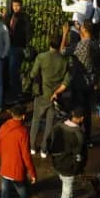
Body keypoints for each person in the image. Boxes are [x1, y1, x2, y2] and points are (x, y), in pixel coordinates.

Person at [28, 30, 70, 158]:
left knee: (36, 120)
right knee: (49, 123)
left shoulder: (41, 57)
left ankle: (32, 147)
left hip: (42, 93)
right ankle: (44, 149)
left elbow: (32, 74)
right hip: (55, 96)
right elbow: (66, 82)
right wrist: (56, 92)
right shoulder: (64, 61)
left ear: (49, 42)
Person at [0, 104, 37, 198]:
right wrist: (32, 173)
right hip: (16, 171)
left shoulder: (4, 126)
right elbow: (26, 156)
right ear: (23, 116)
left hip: (5, 169)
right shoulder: (23, 132)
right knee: (24, 196)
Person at [48, 107, 87, 198]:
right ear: (81, 118)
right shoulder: (78, 134)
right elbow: (79, 156)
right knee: (65, 196)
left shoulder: (58, 126)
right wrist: (79, 169)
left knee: (67, 190)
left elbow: (49, 142)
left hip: (57, 164)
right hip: (68, 169)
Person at [72, 22, 100, 146]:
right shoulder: (95, 44)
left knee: (78, 108)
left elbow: (63, 51)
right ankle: (87, 137)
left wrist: (65, 34)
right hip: (91, 81)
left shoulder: (81, 45)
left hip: (80, 81)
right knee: (88, 110)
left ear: (84, 29)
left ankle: (78, 136)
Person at [6, 0, 30, 101]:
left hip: (18, 46)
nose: (15, 8)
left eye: (18, 5)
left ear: (21, 6)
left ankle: (17, 93)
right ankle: (15, 92)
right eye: (14, 5)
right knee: (11, 71)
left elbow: (28, 32)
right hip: (9, 46)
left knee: (13, 71)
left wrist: (25, 44)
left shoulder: (25, 17)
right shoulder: (10, 16)